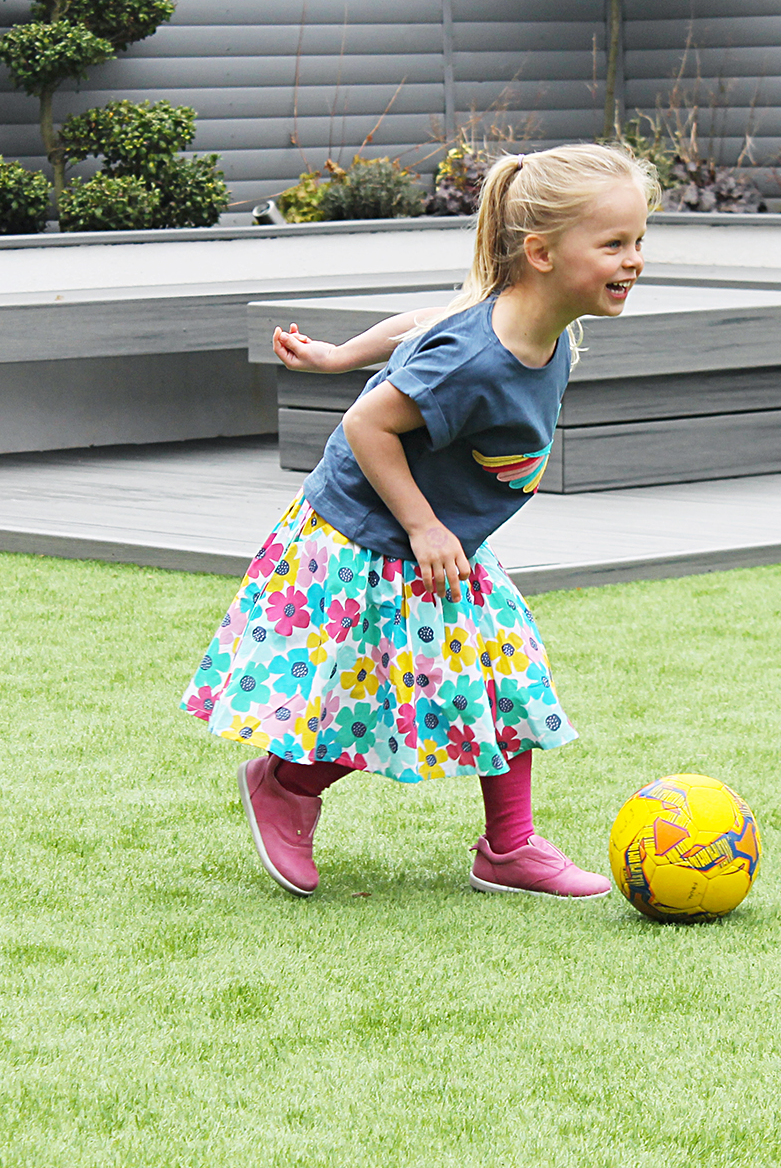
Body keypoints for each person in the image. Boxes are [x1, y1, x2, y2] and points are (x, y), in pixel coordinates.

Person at [179, 142, 659, 899]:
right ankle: (285, 786)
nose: (633, 260)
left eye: (638, 241)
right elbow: (370, 423)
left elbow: (427, 320)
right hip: (371, 534)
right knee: (383, 692)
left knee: (506, 674)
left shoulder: (542, 325)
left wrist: (341, 352)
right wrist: (425, 523)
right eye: (612, 244)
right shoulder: (479, 357)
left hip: (441, 537)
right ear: (540, 251)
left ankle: (509, 846)